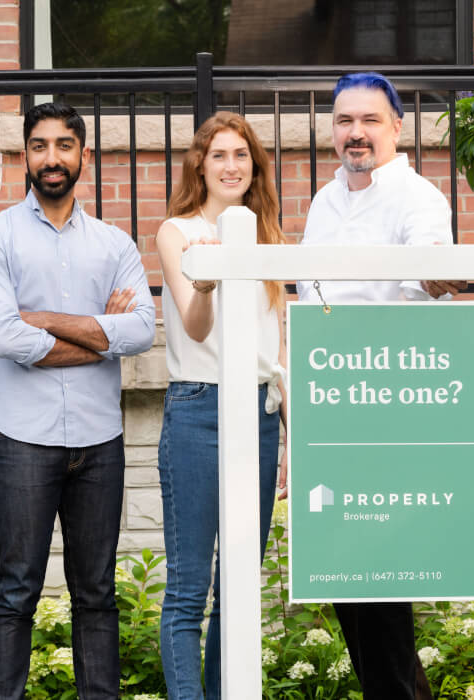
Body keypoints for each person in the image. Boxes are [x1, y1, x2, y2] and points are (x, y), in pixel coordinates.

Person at [0, 102, 156, 699]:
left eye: (64, 145)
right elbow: (3, 337)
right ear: (25, 156)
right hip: (24, 440)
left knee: (96, 593)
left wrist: (44, 319)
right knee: (16, 590)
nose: (52, 158)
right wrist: (100, 336)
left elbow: (141, 331)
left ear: (83, 156)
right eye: (40, 146)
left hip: (100, 441)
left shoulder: (114, 244)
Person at [298, 72, 460, 700]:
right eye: (345, 121)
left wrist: (433, 275)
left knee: (382, 577)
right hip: (329, 406)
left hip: (387, 408)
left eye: (369, 120)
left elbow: (428, 273)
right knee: (343, 575)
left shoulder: (419, 198)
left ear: (396, 126)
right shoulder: (323, 200)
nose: (356, 133)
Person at [154, 111, 287, 700]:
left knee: (238, 588)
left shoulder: (269, 239)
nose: (231, 166)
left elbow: (279, 348)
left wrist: (291, 436)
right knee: (189, 588)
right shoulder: (177, 232)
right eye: (219, 156)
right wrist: (205, 283)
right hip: (198, 410)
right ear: (200, 166)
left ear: (254, 166)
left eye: (241, 155)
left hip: (259, 414)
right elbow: (195, 326)